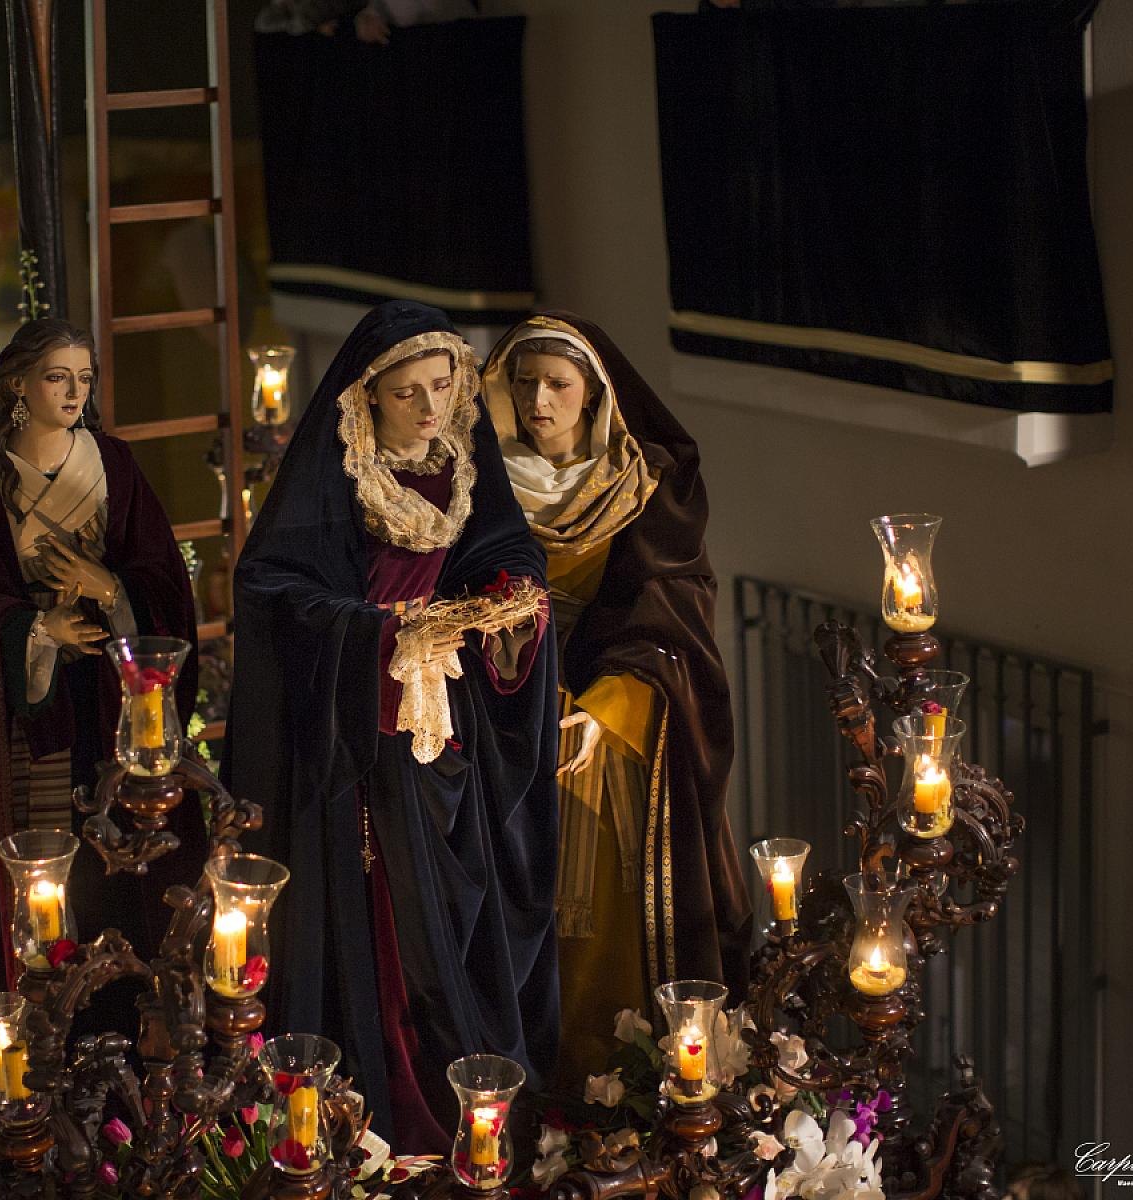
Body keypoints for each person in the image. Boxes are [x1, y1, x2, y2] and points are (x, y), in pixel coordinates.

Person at [226, 301, 559, 1151]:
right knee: (386, 910)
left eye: (442, 386)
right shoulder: (338, 474)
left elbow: (506, 553)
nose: (430, 407)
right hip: (362, 733)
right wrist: (378, 634)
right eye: (408, 392)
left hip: (446, 725)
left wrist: (508, 605)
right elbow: (271, 588)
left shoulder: (463, 465)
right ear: (367, 395)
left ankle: (465, 1096)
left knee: (452, 901)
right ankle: (379, 1107)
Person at [480, 313, 751, 1088]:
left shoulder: (645, 487)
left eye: (557, 384)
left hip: (608, 724)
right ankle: (524, 1089)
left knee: (603, 919)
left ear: (595, 393)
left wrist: (608, 707)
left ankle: (612, 1086)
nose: (539, 401)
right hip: (505, 715)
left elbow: (673, 618)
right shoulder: (481, 486)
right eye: (525, 382)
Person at [0, 319, 198, 988]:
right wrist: (34, 631)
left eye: (84, 379)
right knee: (46, 863)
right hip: (27, 703)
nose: (74, 393)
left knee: (118, 850)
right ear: (18, 384)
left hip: (111, 694)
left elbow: (163, 579)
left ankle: (127, 994)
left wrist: (109, 587)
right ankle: (47, 998)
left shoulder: (113, 464)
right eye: (57, 377)